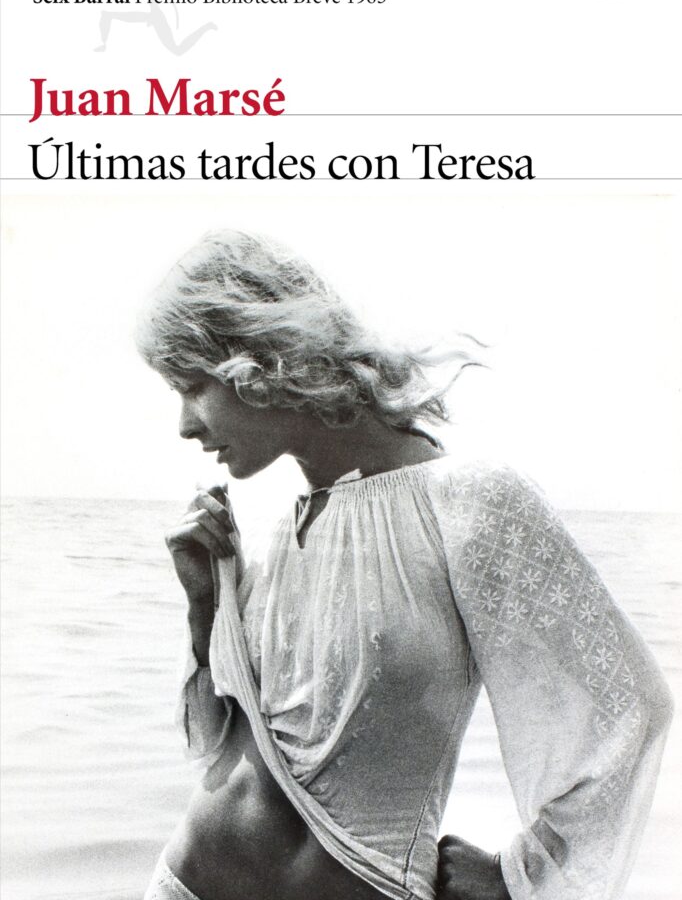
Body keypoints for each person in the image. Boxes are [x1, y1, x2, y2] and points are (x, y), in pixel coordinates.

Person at [136, 229, 672, 900]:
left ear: (259, 360)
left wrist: (521, 876)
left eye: (193, 386)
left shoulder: (467, 502)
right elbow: (220, 747)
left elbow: (630, 711)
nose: (185, 425)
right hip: (184, 884)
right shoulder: (268, 521)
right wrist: (204, 608)